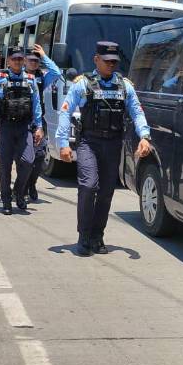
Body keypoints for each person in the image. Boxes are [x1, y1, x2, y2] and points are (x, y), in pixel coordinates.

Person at [56, 41, 152, 257]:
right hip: (89, 142)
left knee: (107, 192)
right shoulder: (83, 84)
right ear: (96, 60)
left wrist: (144, 136)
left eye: (114, 62)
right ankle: (84, 235)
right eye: (107, 61)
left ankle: (97, 236)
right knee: (89, 186)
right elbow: (65, 111)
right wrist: (63, 143)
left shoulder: (124, 86)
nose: (111, 65)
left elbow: (136, 111)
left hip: (113, 144)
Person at [0, 46, 43, 215]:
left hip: (24, 127)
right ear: (8, 61)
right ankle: (6, 199)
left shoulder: (30, 79)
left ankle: (18, 191)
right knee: (5, 166)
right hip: (6, 127)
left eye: (20, 58)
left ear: (23, 60)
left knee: (28, 161)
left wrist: (39, 126)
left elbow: (36, 104)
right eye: (14, 58)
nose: (17, 61)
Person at [24, 43, 63, 201]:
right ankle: (21, 188)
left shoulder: (41, 77)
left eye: (36, 60)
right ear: (24, 61)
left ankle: (31, 184)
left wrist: (44, 56)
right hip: (20, 121)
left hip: (38, 122)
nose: (34, 63)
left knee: (39, 156)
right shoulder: (17, 74)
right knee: (24, 159)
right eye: (31, 60)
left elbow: (56, 72)